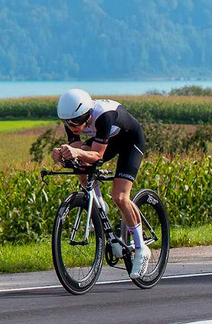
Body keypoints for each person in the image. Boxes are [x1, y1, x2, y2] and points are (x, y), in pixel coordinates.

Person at [51, 88, 150, 279]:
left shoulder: (104, 116)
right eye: (67, 123)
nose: (72, 127)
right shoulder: (72, 118)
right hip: (109, 141)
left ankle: (141, 248)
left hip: (130, 142)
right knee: (78, 163)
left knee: (120, 197)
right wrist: (63, 154)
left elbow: (97, 155)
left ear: (87, 114)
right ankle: (98, 203)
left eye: (77, 122)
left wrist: (76, 152)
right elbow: (78, 149)